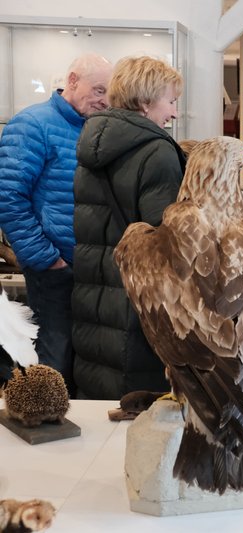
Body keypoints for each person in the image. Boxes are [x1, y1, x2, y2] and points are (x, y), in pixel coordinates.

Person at [72, 56, 187, 399]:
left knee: (101, 400)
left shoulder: (91, 143)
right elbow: (163, 244)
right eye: (171, 101)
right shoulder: (156, 152)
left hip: (93, 290)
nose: (174, 113)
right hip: (138, 303)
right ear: (144, 101)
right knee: (138, 404)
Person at [0, 54, 113, 394]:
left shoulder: (96, 128)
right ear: (73, 80)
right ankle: (44, 433)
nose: (104, 99)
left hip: (90, 269)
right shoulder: (32, 125)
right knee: (55, 355)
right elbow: (8, 196)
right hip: (54, 267)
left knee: (83, 359)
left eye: (110, 92)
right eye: (98, 89)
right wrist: (46, 258)